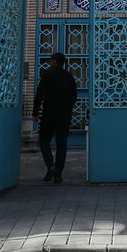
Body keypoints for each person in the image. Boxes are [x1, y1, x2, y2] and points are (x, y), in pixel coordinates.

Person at [33, 51, 77, 184]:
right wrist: (68, 110)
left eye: (52, 60)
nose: (50, 62)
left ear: (55, 61)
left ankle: (51, 166)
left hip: (49, 114)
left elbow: (39, 94)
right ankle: (58, 175)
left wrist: (35, 112)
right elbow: (74, 96)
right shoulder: (68, 76)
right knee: (61, 144)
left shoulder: (47, 74)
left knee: (44, 140)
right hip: (64, 116)